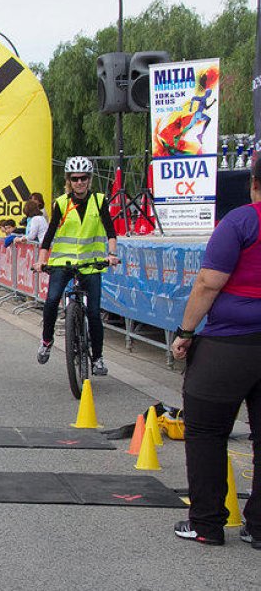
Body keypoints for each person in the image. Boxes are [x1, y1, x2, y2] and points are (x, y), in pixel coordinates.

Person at [169, 154, 261, 548]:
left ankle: (206, 523)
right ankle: (258, 527)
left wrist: (186, 331)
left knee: (206, 432)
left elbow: (208, 282)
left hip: (231, 344)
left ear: (253, 182)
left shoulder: (242, 221)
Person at [32, 156, 119, 374]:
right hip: (63, 262)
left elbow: (110, 231)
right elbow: (49, 235)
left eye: (83, 178)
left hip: (91, 264)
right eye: (75, 178)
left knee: (94, 312)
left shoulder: (99, 201)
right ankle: (46, 341)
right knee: (52, 300)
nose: (79, 182)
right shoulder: (61, 203)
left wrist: (111, 254)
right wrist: (42, 260)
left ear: (89, 180)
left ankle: (98, 357)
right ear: (69, 181)